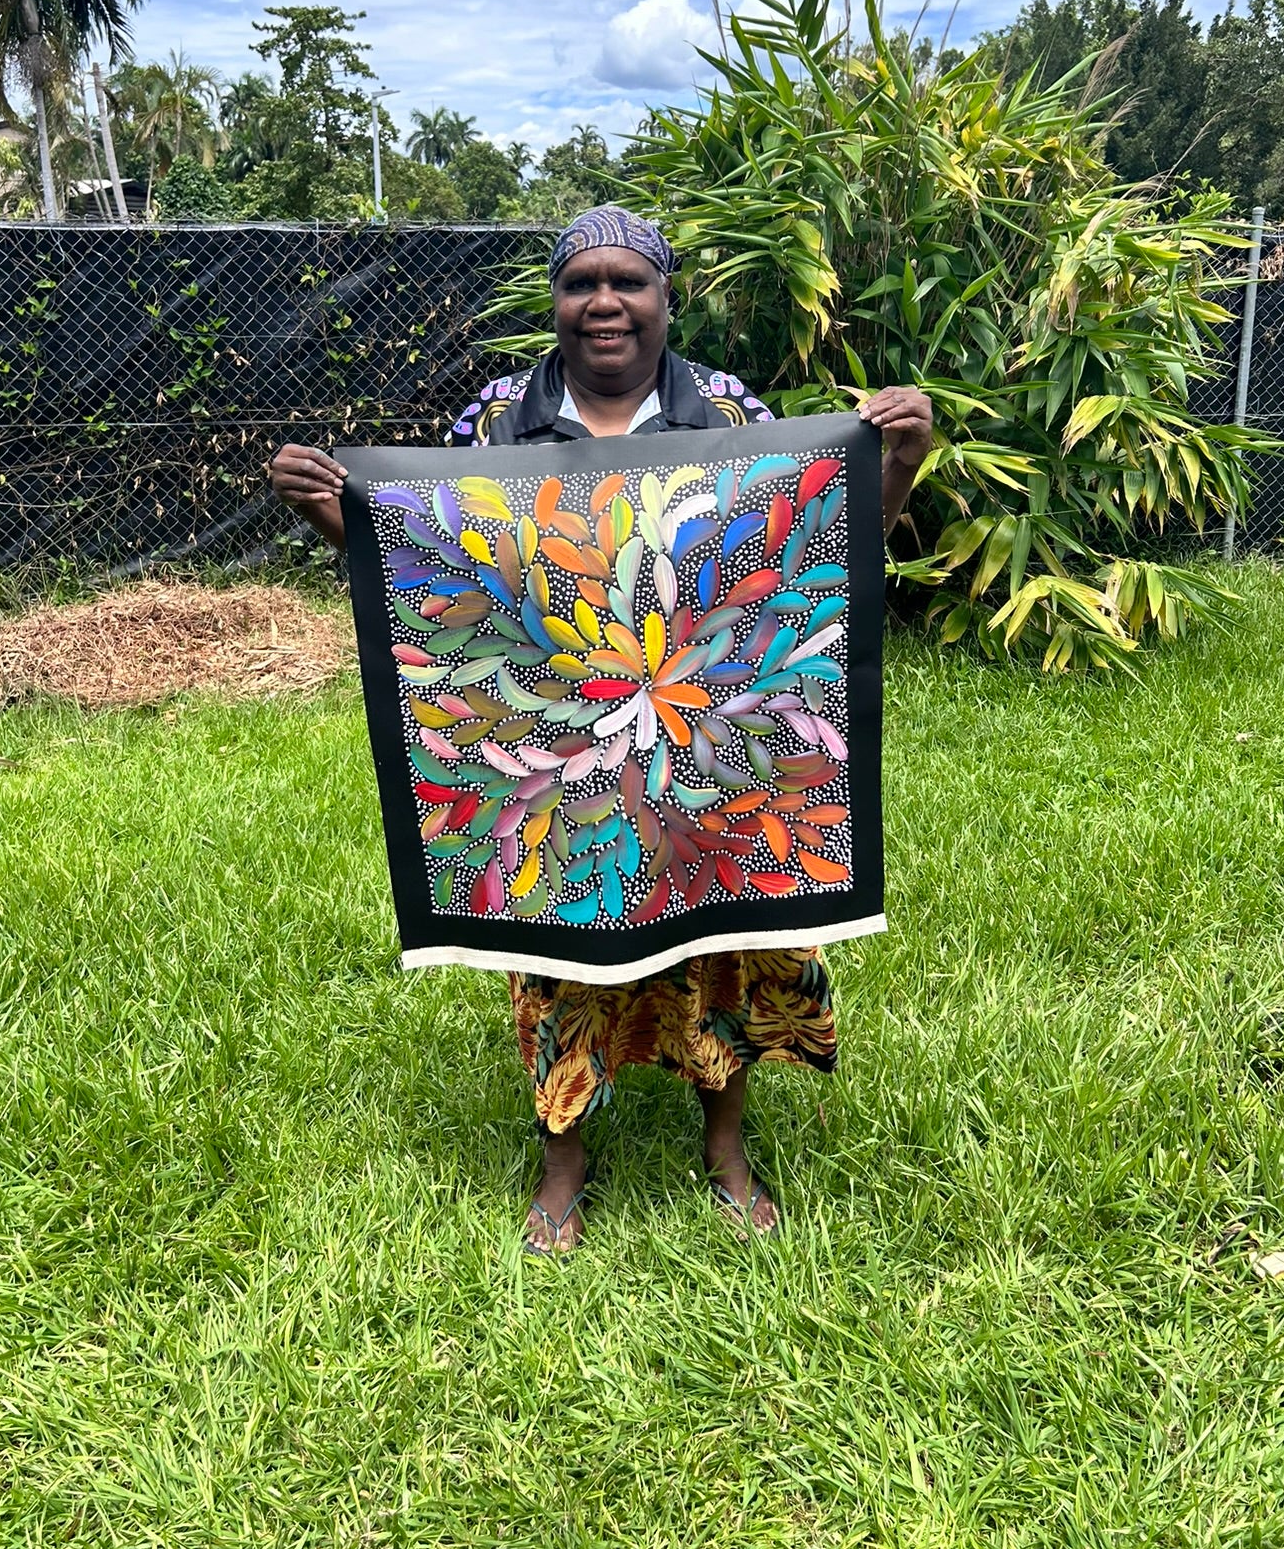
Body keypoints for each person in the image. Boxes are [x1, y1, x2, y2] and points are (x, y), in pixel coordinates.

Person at [268, 205, 932, 1253]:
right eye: (583, 282)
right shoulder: (499, 420)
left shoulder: (725, 411)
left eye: (630, 280)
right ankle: (565, 1163)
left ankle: (726, 1148)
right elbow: (434, 571)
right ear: (557, 300)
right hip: (558, 736)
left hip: (709, 725)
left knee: (730, 940)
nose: (606, 301)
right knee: (564, 950)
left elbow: (823, 547)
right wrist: (328, 513)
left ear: (668, 296)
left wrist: (894, 462)